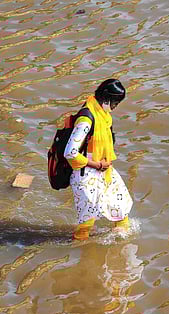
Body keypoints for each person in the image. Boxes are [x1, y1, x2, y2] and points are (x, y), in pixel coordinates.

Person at [64, 79, 133, 240]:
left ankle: (121, 247)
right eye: (115, 103)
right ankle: (82, 256)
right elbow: (70, 152)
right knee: (86, 223)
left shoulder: (102, 114)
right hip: (86, 174)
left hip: (104, 171)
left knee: (121, 209)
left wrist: (102, 165)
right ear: (107, 99)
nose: (115, 107)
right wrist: (97, 164)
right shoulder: (86, 120)